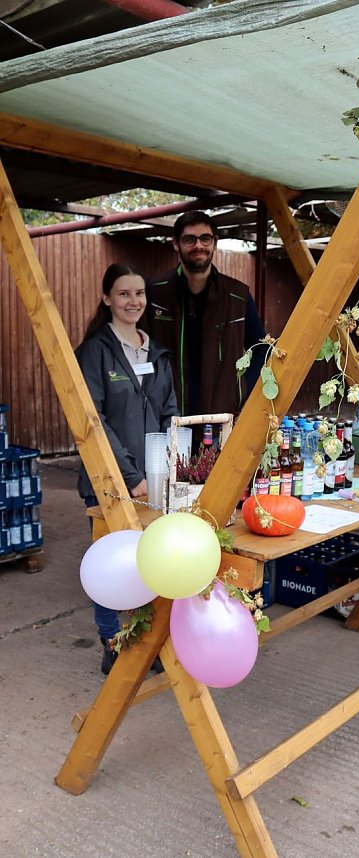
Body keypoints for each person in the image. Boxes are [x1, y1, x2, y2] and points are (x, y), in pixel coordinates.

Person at [76, 263, 178, 674]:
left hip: (155, 478)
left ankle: (142, 638)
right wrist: (131, 476)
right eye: (123, 293)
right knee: (111, 562)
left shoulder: (156, 351)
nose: (133, 301)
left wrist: (169, 463)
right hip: (109, 479)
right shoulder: (94, 351)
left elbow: (171, 409)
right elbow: (92, 421)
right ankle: (110, 639)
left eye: (139, 293)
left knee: (149, 561)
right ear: (106, 299)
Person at [146, 211, 265, 417]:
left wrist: (242, 389)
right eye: (189, 239)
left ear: (215, 243)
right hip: (165, 413)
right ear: (176, 244)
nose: (198, 246)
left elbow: (261, 349)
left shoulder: (237, 295)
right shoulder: (154, 291)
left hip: (221, 415)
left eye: (205, 238)